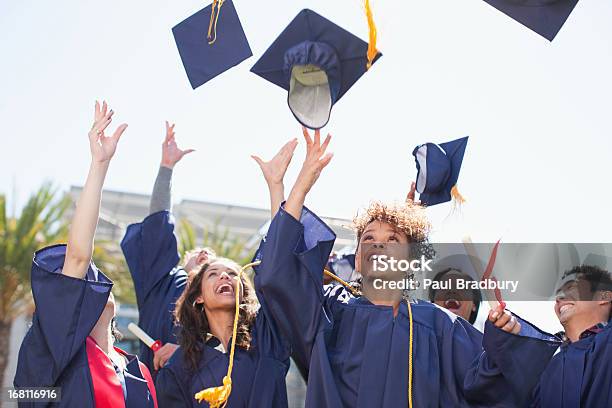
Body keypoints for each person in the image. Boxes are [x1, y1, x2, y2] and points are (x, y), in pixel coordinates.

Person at [253, 127, 562, 407]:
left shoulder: (439, 326)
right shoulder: (331, 312)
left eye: (392, 238)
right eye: (369, 238)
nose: (378, 243)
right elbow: (280, 277)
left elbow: (486, 383)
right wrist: (296, 188)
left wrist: (507, 335)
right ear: (358, 259)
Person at [14, 101, 157, 407]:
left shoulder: (139, 370)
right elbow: (78, 256)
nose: (89, 279)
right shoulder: (55, 349)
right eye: (81, 282)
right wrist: (99, 164)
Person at [120, 121, 215, 374]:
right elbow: (158, 224)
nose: (206, 253)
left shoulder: (223, 298)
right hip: (155, 384)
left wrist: (188, 352)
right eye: (199, 252)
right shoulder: (162, 281)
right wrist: (166, 168)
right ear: (182, 260)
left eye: (213, 263)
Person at [154, 257, 291, 407]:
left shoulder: (267, 337)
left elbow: (279, 267)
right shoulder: (179, 367)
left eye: (232, 274)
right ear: (199, 297)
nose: (224, 276)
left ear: (242, 291)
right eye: (213, 274)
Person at [497, 264, 612, 407]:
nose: (559, 298)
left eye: (571, 287)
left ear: (604, 296)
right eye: (558, 294)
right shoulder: (544, 370)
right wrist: (505, 343)